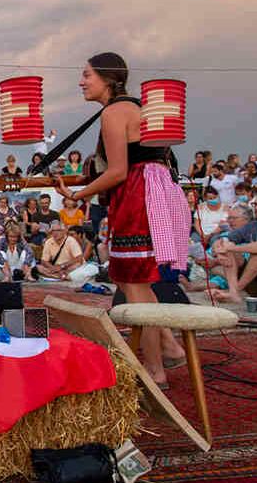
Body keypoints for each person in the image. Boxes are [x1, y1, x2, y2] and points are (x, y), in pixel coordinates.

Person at [55, 53, 189, 388]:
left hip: (137, 195)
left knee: (133, 285)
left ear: (108, 78)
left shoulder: (115, 111)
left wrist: (77, 195)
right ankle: (170, 347)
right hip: (153, 191)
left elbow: (117, 171)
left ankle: (155, 371)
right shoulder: (135, 107)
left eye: (87, 75)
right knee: (138, 282)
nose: (82, 81)